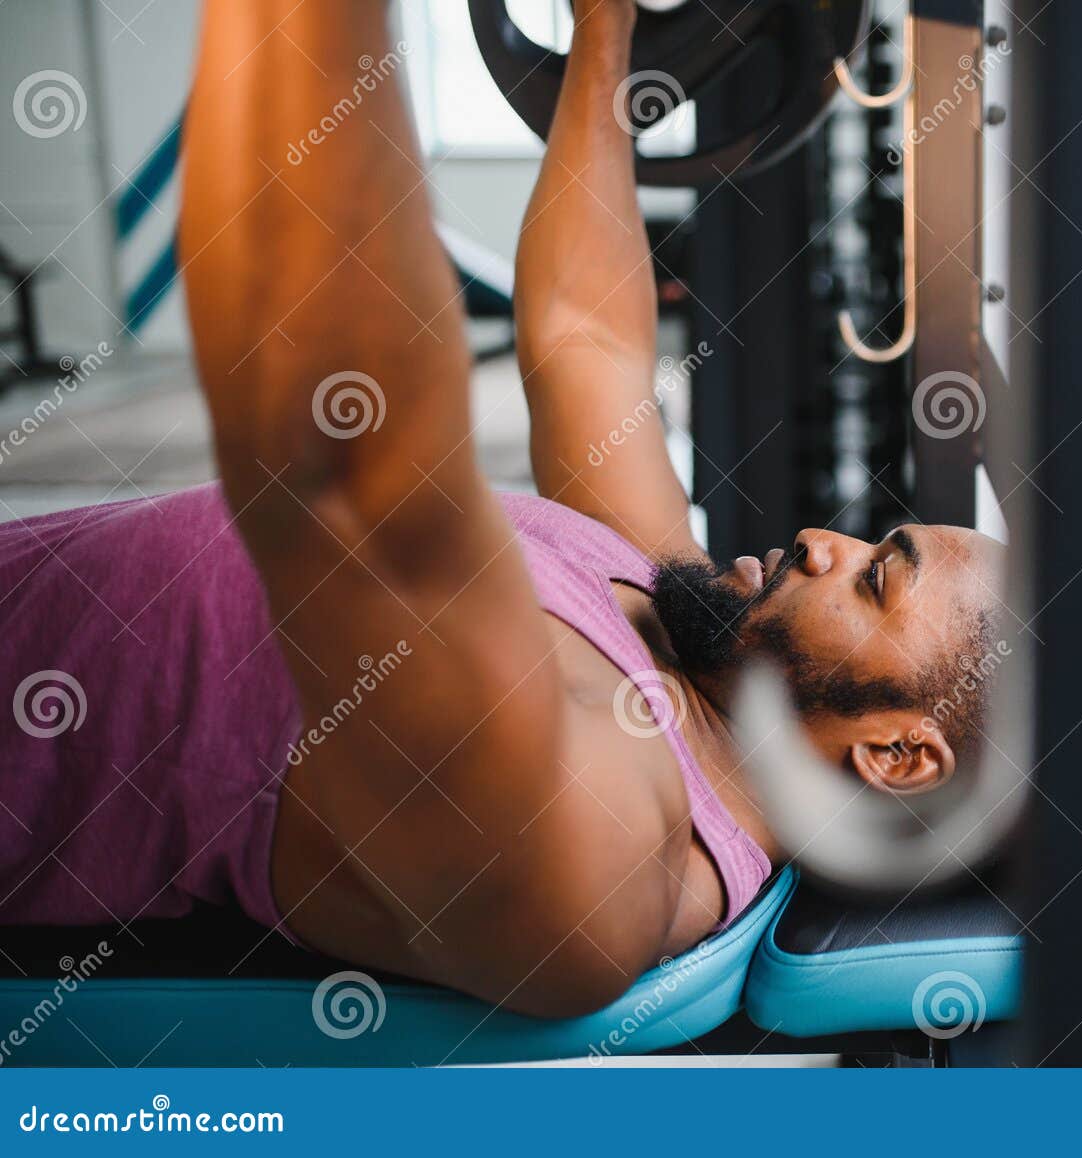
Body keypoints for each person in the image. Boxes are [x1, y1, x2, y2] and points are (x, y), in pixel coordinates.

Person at [0, 0, 1003, 1017]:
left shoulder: (604, 861)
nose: (819, 542)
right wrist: (607, 37)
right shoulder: (676, 621)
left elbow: (348, 481)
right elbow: (584, 343)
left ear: (899, 756)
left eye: (876, 579)